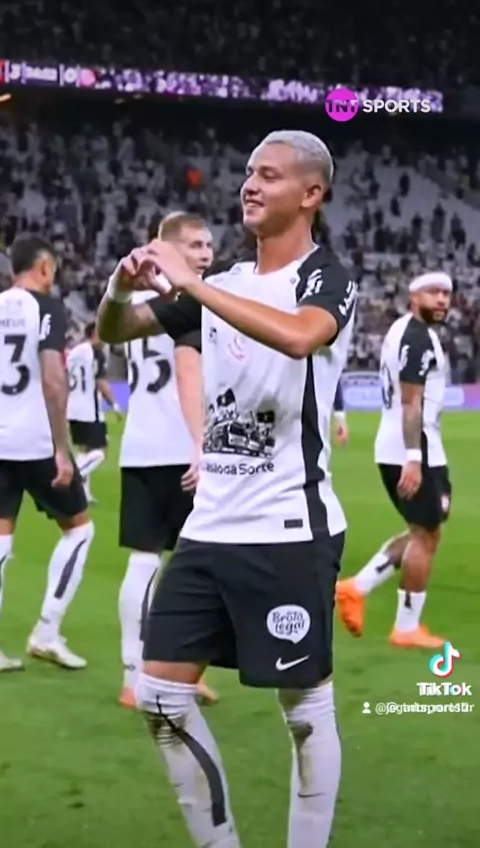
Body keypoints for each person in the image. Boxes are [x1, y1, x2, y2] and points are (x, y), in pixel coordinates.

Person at [98, 130, 357, 848]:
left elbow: (301, 336)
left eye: (269, 175)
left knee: (303, 711)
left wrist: (192, 284)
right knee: (160, 696)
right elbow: (118, 329)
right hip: (209, 527)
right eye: (248, 172)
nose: (250, 184)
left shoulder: (326, 276)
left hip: (289, 529)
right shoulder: (229, 283)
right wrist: (119, 286)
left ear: (311, 193)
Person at [118, 211, 218, 708]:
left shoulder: (138, 304)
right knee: (193, 567)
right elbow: (187, 371)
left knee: (147, 560)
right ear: (170, 249)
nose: (207, 254)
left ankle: (135, 674)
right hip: (182, 447)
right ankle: (170, 671)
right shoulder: (191, 302)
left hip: (139, 443)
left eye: (208, 245)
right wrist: (201, 445)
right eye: (196, 245)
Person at [336, 272, 452, 648]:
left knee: (425, 531)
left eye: (446, 294)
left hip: (408, 444)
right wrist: (414, 458)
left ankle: (356, 587)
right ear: (414, 296)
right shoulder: (416, 338)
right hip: (412, 447)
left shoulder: (405, 331)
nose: (442, 300)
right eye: (433, 293)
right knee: (426, 536)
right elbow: (410, 402)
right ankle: (406, 627)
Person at [0, 234, 94, 671]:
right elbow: (54, 380)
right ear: (43, 268)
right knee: (79, 529)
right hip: (36, 440)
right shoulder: (47, 308)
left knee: (1, 540)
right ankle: (47, 631)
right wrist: (61, 448)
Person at [67, 322, 121, 504]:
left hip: (73, 409)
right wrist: (114, 405)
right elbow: (101, 382)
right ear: (94, 334)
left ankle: (84, 494)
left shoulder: (75, 352)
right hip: (90, 410)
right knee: (100, 452)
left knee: (85, 450)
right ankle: (74, 477)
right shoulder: (95, 353)